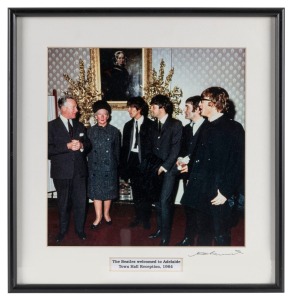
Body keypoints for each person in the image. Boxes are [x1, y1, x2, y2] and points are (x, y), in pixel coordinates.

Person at [180, 87, 245, 246]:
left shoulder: (234, 128)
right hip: (202, 189)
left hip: (218, 193)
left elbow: (238, 164)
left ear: (214, 103)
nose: (199, 104)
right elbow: (201, 157)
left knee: (220, 232)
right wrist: (190, 171)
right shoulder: (206, 126)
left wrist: (225, 192)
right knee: (203, 232)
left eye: (203, 101)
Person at [48, 96, 91, 243]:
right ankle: (62, 230)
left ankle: (80, 230)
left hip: (79, 172)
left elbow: (88, 144)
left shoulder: (79, 126)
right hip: (61, 172)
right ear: (64, 108)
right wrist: (66, 146)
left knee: (80, 203)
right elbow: (46, 150)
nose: (77, 110)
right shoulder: (50, 126)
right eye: (74, 107)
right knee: (63, 203)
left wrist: (82, 146)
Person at [147, 94, 183, 246]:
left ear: (162, 108)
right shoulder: (153, 124)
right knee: (157, 202)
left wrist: (164, 167)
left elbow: (175, 150)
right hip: (156, 169)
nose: (151, 109)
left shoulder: (176, 124)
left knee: (165, 202)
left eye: (153, 107)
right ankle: (160, 229)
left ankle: (165, 237)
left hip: (169, 170)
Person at [175, 95, 208, 246]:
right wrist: (179, 159)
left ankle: (202, 241)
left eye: (187, 107)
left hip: (203, 176)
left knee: (202, 210)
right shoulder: (186, 129)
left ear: (197, 109)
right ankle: (188, 237)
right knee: (188, 207)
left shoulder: (208, 128)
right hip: (186, 173)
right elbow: (183, 150)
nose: (184, 110)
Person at [120, 97, 154, 229]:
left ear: (139, 109)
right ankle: (138, 216)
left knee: (145, 191)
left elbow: (153, 148)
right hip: (132, 160)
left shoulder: (151, 125)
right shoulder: (128, 125)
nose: (129, 110)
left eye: (131, 107)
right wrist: (124, 169)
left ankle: (146, 218)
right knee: (136, 190)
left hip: (145, 161)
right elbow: (124, 148)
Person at [87, 100, 121, 229]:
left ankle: (106, 215)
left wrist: (116, 166)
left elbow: (117, 151)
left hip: (109, 167)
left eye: (104, 114)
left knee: (108, 193)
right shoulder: (89, 132)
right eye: (99, 114)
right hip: (94, 168)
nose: (102, 117)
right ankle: (98, 217)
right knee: (96, 193)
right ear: (95, 116)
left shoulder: (114, 132)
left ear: (108, 116)